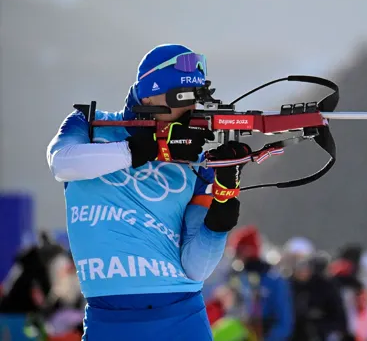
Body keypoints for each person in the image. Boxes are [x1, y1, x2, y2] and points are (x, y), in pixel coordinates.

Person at [46, 44, 252, 340]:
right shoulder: (91, 126)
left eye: (196, 100)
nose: (190, 110)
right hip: (109, 320)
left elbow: (196, 268)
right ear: (150, 94)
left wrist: (223, 204)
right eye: (181, 97)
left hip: (181, 317)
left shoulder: (194, 161)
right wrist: (135, 150)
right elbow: (62, 163)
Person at [220, 225, 294, 341]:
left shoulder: (273, 279)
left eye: (239, 253)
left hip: (265, 334)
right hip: (240, 333)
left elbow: (284, 321)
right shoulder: (235, 276)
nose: (236, 259)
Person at [287, 240, 349, 341]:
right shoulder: (287, 286)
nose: (301, 269)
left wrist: (319, 326)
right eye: (296, 264)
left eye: (304, 264)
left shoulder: (325, 286)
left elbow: (339, 319)